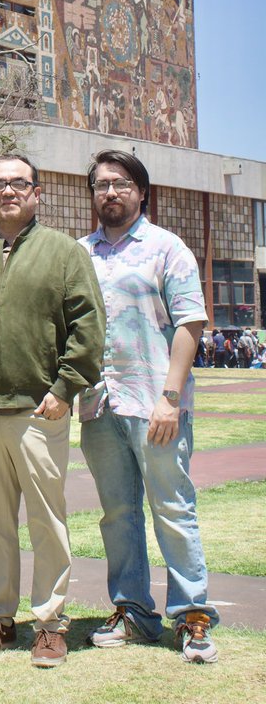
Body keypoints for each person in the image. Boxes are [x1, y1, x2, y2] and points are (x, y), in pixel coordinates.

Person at [0, 153, 105, 669]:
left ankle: (50, 624)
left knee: (46, 519)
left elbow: (87, 325)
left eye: (18, 183)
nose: (8, 191)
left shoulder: (64, 252)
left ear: (37, 192)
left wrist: (65, 388)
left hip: (40, 410)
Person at [79, 149, 220, 664]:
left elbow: (190, 322)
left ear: (141, 192)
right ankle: (133, 610)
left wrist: (170, 397)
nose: (110, 192)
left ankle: (192, 616)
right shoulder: (80, 254)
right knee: (118, 514)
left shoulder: (167, 247)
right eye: (101, 184)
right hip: (99, 404)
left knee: (172, 508)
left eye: (120, 183)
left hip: (156, 404)